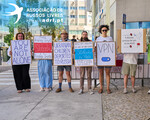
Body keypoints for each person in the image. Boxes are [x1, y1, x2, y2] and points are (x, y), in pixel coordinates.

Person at [96, 25, 113, 94]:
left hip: (108, 59)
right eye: (103, 30)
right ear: (101, 31)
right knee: (100, 73)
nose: (104, 31)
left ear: (107, 30)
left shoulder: (110, 38)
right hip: (100, 58)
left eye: (106, 30)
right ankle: (101, 88)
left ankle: (108, 88)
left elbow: (112, 48)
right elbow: (96, 48)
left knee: (107, 73)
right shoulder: (98, 39)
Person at [78, 31, 94, 95]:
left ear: (87, 35)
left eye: (86, 34)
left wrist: (93, 50)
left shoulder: (90, 42)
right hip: (81, 61)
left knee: (89, 75)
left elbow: (93, 49)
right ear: (81, 35)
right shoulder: (78, 42)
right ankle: (81, 88)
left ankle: (89, 88)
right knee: (82, 75)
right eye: (83, 34)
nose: (84, 35)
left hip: (89, 60)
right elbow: (76, 51)